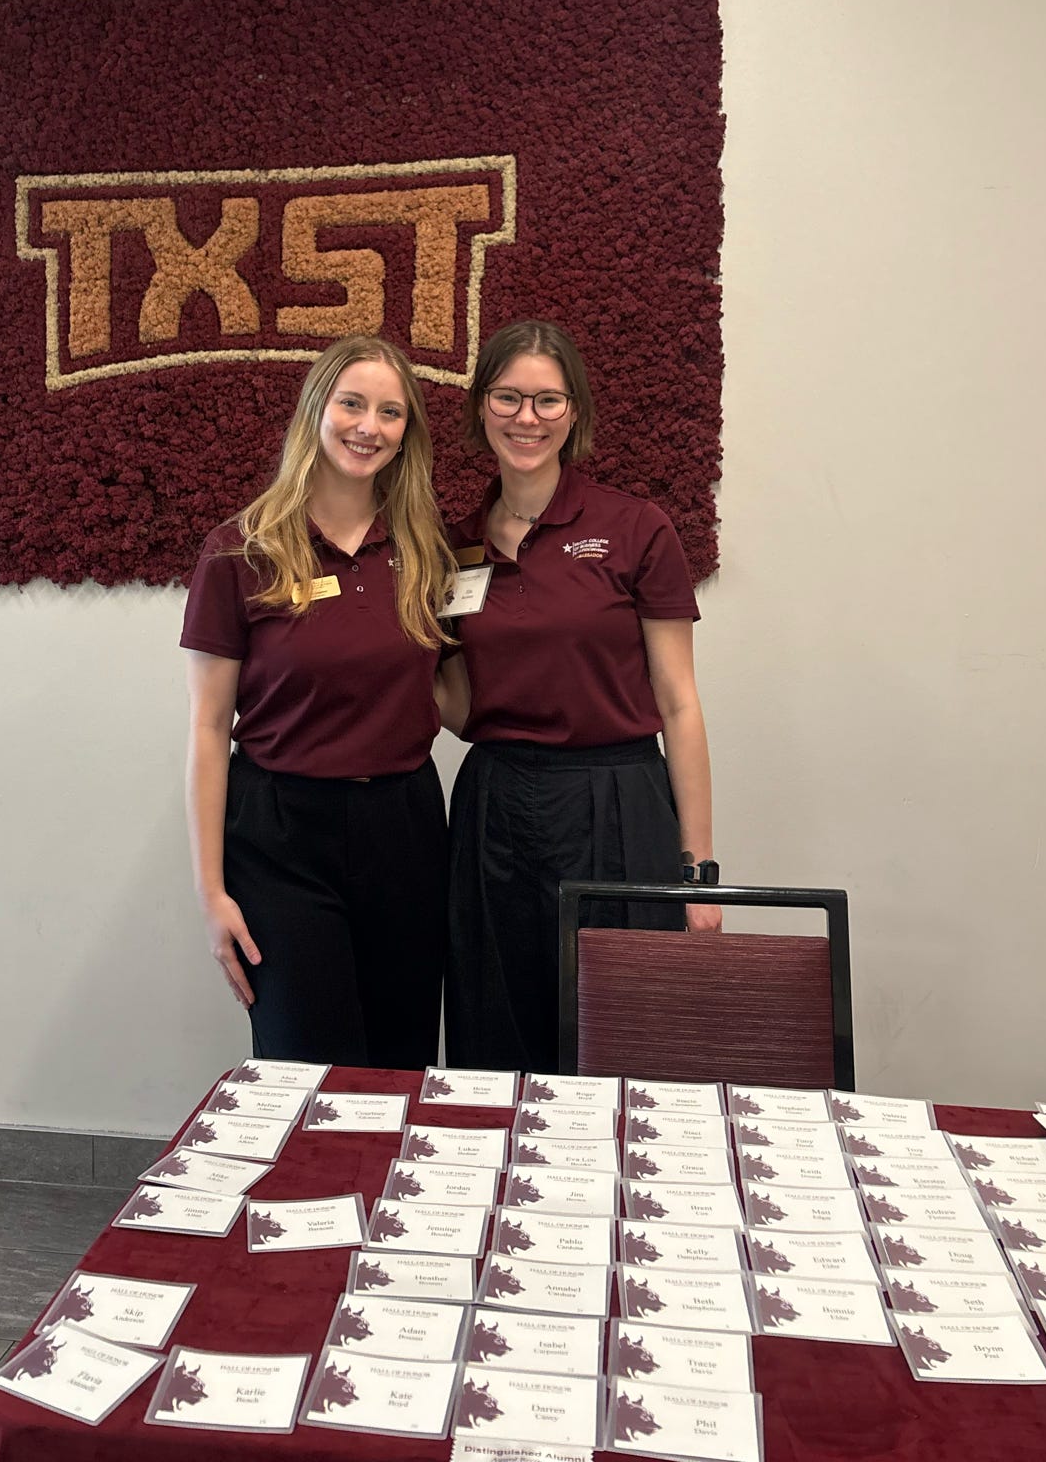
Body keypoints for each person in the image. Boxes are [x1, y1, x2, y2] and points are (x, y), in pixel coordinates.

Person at [438, 318, 720, 1073]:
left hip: (617, 803)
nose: (526, 418)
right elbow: (463, 711)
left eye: (547, 400)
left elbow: (679, 703)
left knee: (624, 1035)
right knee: (496, 1033)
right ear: (480, 409)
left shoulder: (636, 529)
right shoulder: (454, 545)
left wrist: (698, 872)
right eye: (507, 398)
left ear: (575, 413)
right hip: (495, 806)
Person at [180, 335, 454, 1067]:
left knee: (401, 1063)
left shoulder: (429, 551)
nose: (369, 426)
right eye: (353, 404)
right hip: (280, 839)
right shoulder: (240, 551)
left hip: (406, 827)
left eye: (391, 413)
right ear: (316, 410)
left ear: (407, 434)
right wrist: (211, 894)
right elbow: (209, 729)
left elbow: (451, 691)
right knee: (309, 1072)